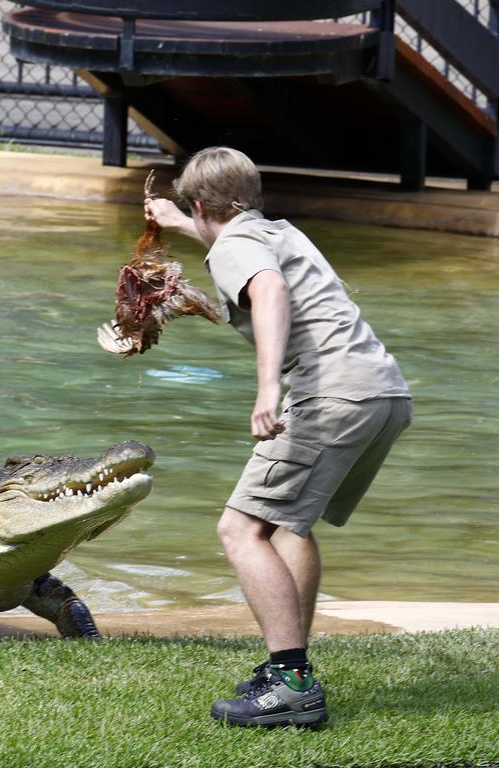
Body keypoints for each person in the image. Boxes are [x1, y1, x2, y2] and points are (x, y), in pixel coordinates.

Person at [145, 147, 411, 728]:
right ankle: (291, 670)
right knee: (287, 523)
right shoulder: (273, 230)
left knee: (239, 529)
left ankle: (291, 682)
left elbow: (266, 290)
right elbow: (237, 243)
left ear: (200, 201)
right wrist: (179, 223)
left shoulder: (240, 250)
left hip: (329, 395)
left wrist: (267, 388)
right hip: (381, 392)